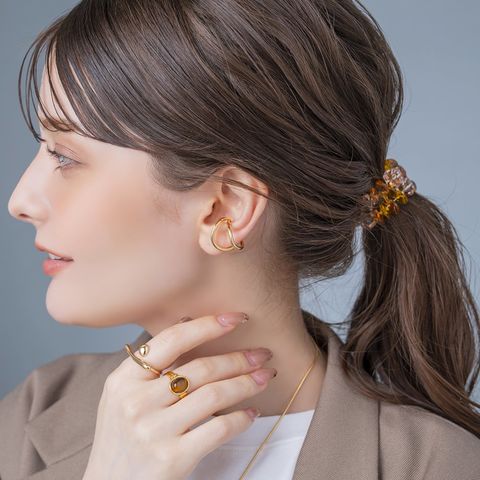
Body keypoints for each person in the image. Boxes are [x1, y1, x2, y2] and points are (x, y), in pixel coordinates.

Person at [1, 0, 479, 479]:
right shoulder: (28, 414)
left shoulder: (436, 465)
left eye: (65, 157)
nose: (20, 201)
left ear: (224, 209)